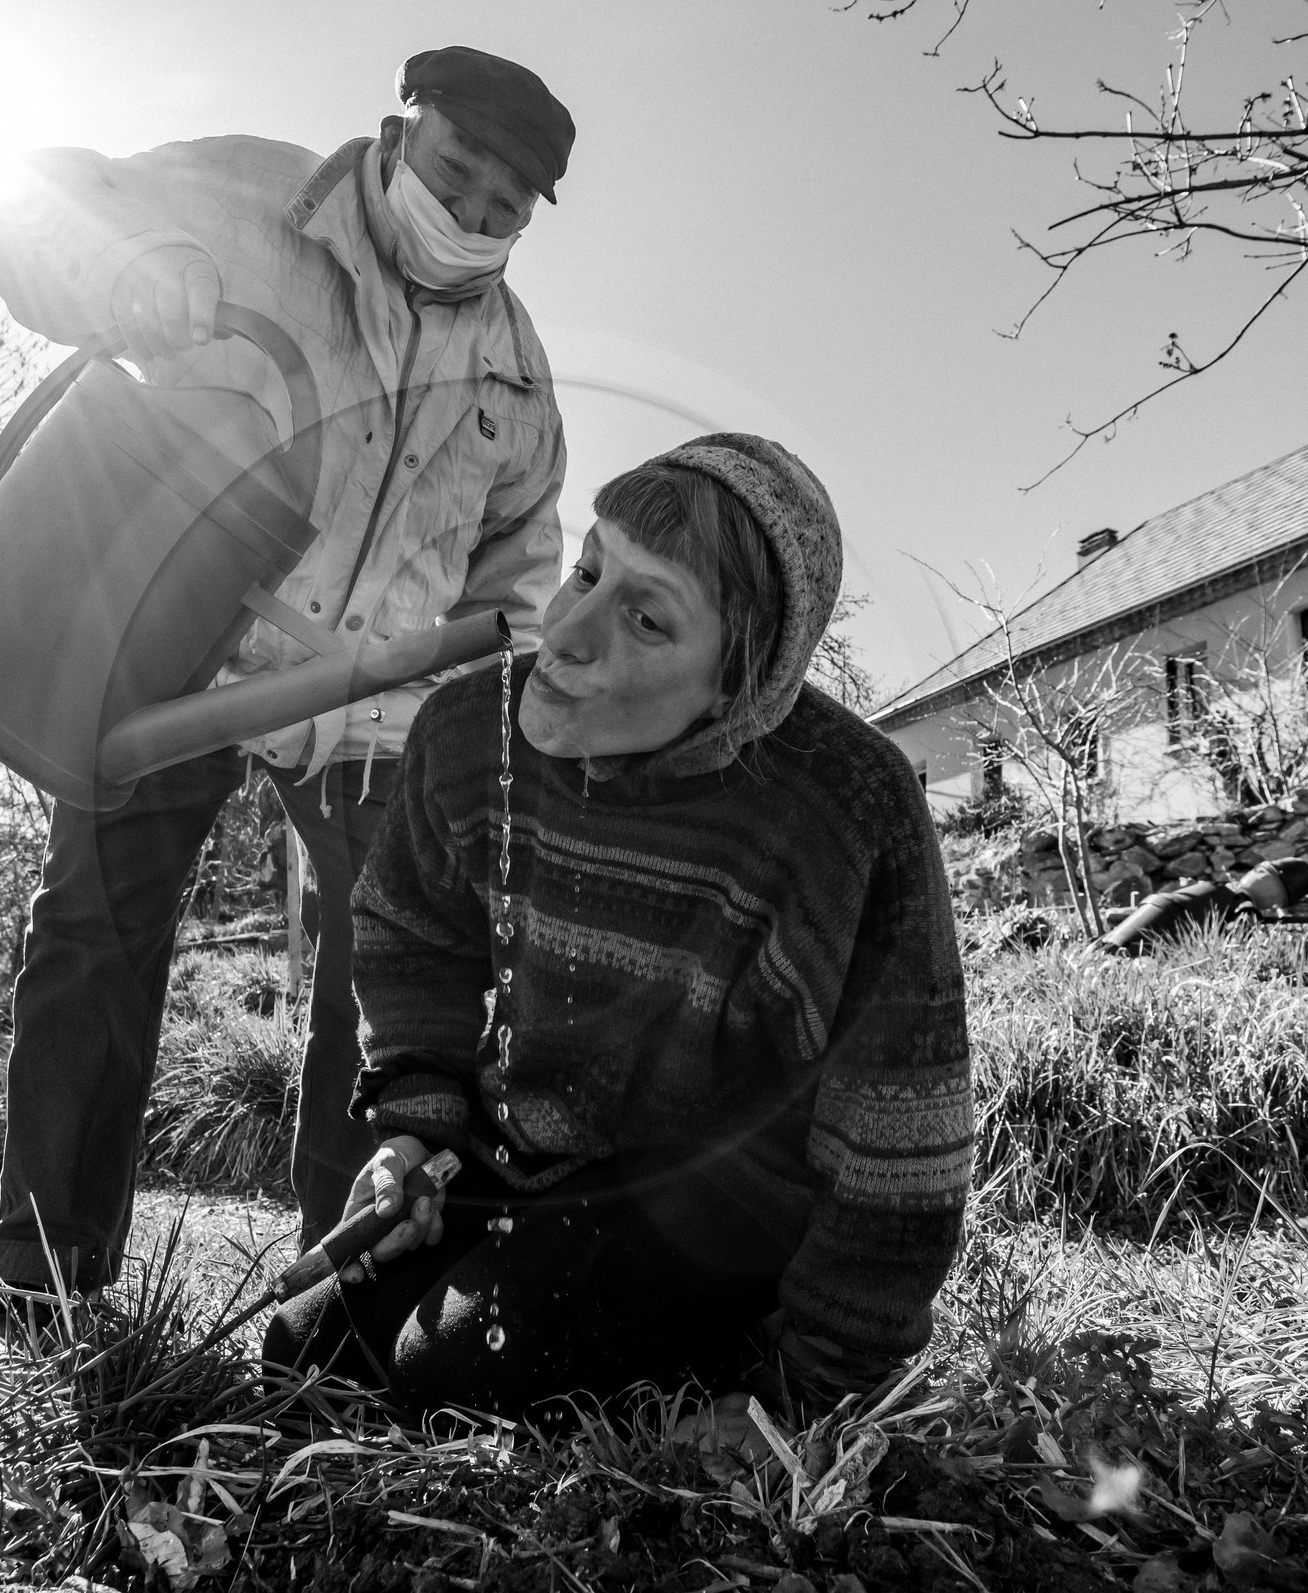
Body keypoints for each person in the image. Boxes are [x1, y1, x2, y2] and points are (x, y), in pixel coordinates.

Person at [0, 46, 575, 1298]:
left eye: (500, 210)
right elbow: (26, 206)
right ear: (408, 129)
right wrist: (123, 271)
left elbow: (515, 576)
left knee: (389, 991)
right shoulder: (248, 195)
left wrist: (488, 718)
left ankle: (335, 1299)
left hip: (373, 709)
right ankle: (48, 1276)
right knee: (95, 926)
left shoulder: (517, 368)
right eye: (454, 171)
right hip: (177, 644)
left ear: (529, 221)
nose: (466, 218)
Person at [265, 434, 973, 1419]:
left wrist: (814, 1388)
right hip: (520, 1156)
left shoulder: (845, 809)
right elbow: (415, 931)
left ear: (738, 684)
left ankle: (720, 1346)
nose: (564, 635)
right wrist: (418, 1128)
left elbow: (897, 1136)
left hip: (715, 1203)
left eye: (646, 617)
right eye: (587, 570)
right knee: (301, 1348)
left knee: (440, 1383)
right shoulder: (468, 732)